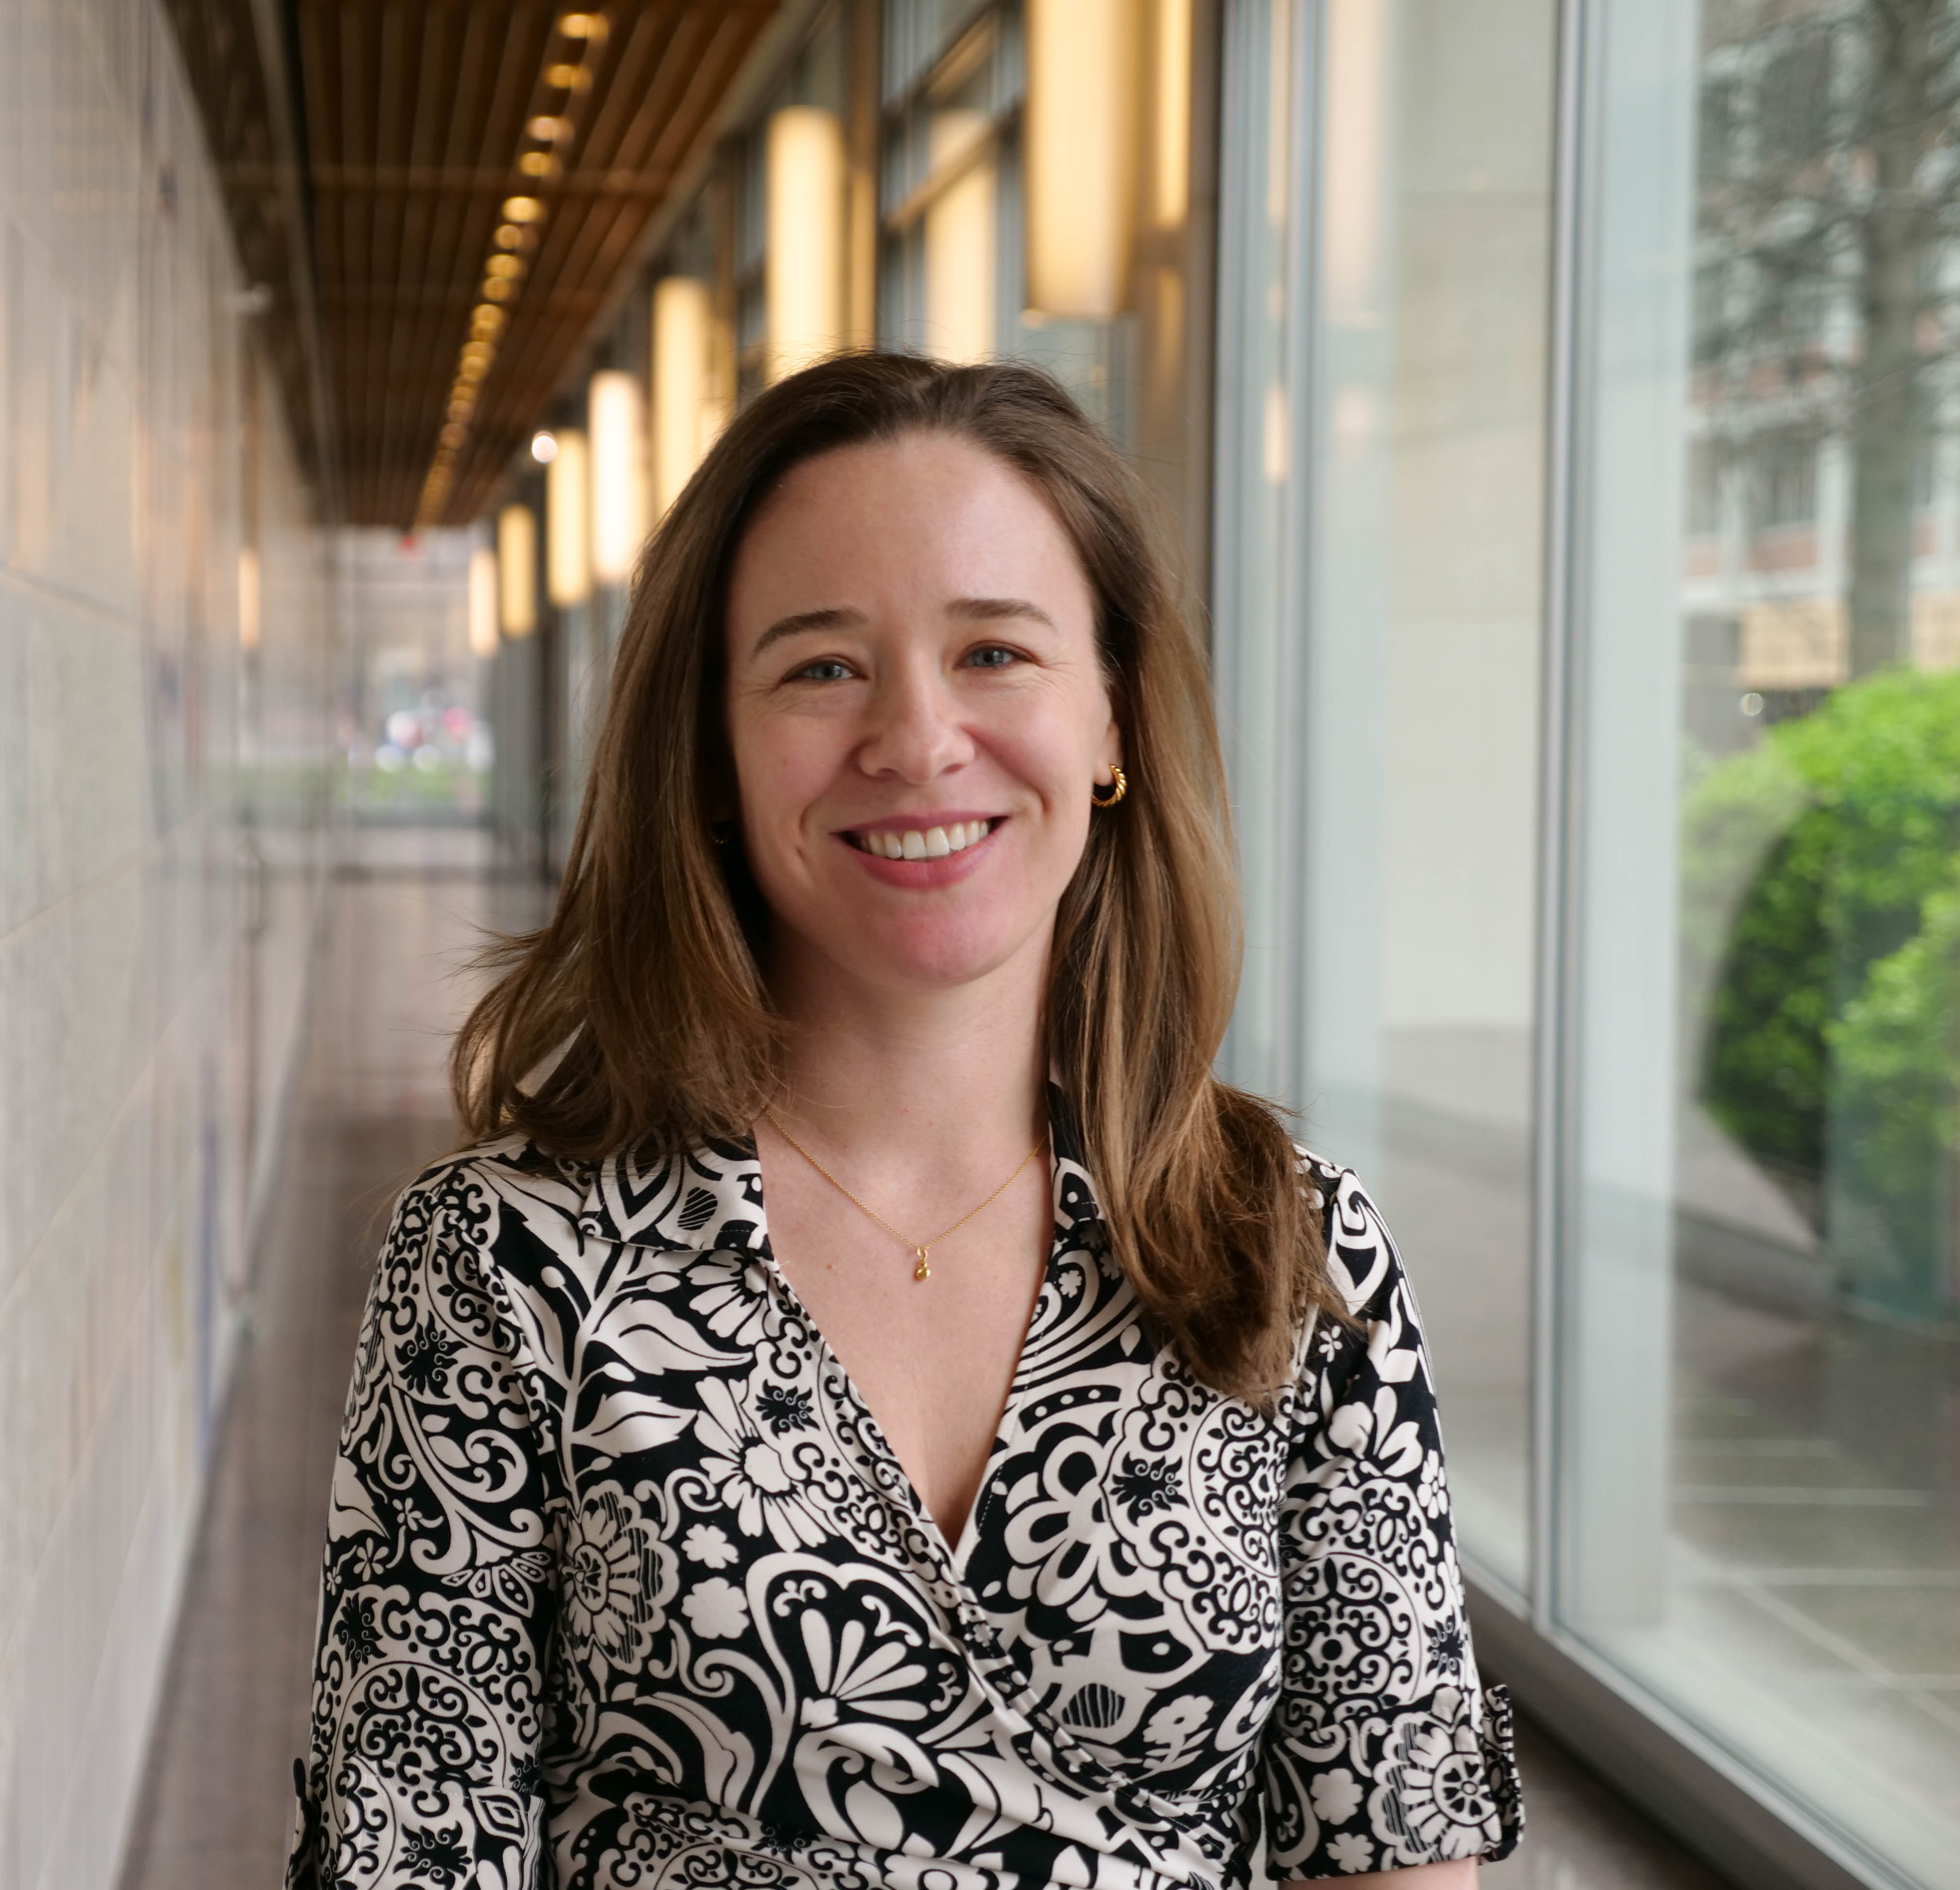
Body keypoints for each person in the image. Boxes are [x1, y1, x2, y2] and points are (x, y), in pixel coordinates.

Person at [290, 353, 1521, 1890]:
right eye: (822, 667)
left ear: (1112, 717)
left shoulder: (1285, 1244)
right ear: (717, 759)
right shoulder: (505, 1263)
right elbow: (408, 1847)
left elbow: (1393, 1845)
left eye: (996, 652)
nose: (918, 740)